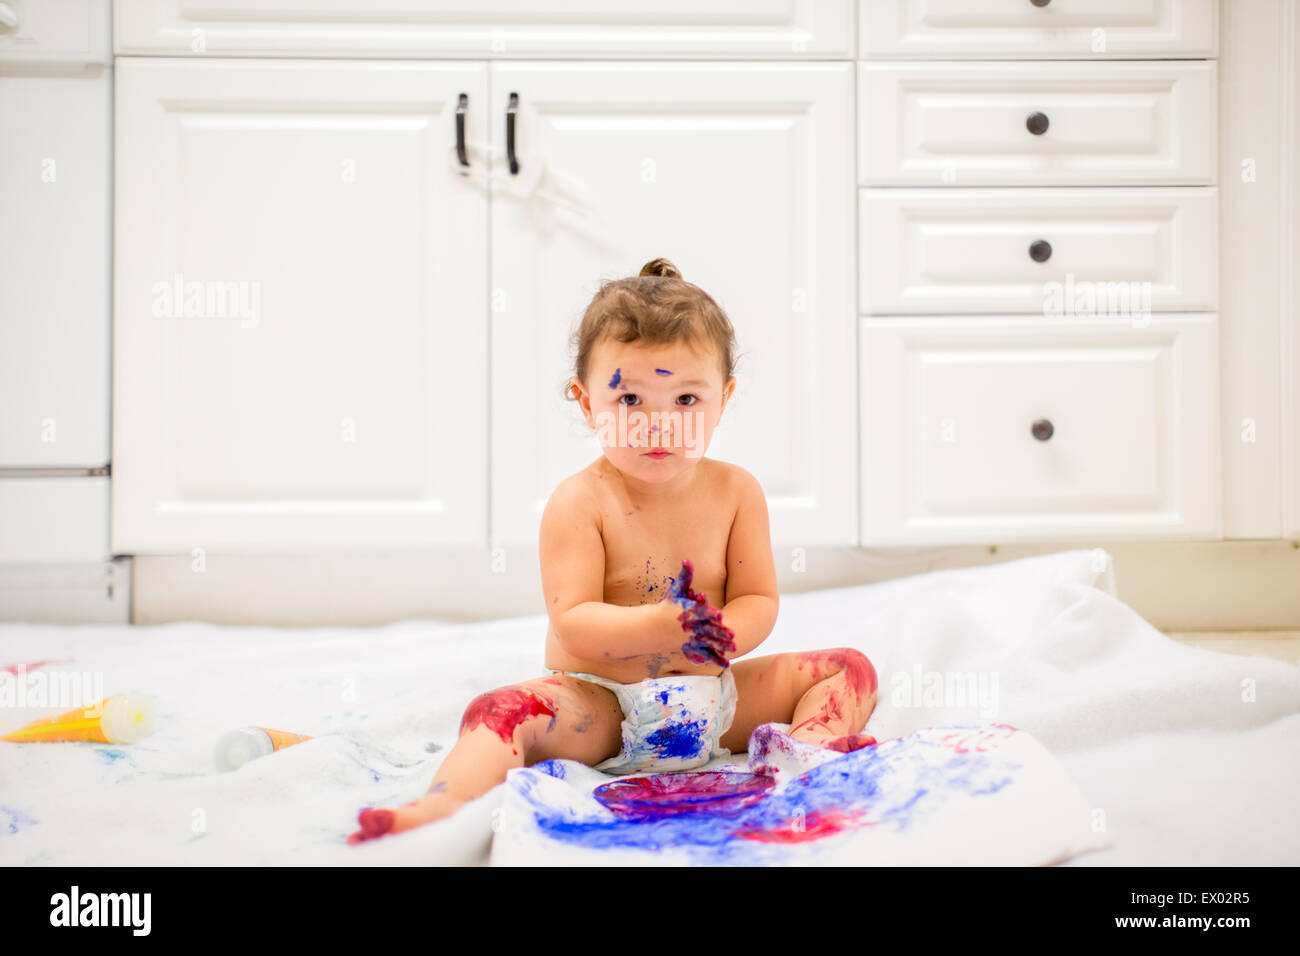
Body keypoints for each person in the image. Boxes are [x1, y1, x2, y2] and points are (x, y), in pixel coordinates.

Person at [349, 257, 877, 844]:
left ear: (723, 400)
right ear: (586, 402)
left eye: (685, 400)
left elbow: (758, 597)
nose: (658, 423)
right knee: (500, 711)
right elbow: (573, 623)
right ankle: (439, 806)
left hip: (718, 706)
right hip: (604, 710)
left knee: (847, 668)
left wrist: (722, 634)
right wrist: (659, 625)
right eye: (630, 401)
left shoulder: (737, 492)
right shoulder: (580, 502)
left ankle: (809, 750)